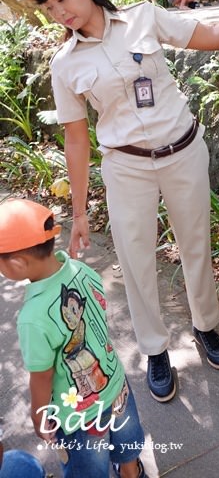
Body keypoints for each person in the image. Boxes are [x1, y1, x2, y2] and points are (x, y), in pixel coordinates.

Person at [16, 0, 219, 404]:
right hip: (126, 165)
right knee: (136, 260)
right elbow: (76, 140)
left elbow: (215, 36)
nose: (61, 11)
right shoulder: (65, 64)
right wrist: (78, 213)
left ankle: (206, 326)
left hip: (182, 150)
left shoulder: (143, 17)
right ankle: (155, 350)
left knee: (195, 243)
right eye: (51, 7)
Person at [0, 199, 147, 478]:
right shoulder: (83, 271)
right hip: (116, 384)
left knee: (87, 466)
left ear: (18, 263)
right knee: (127, 439)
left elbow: (42, 377)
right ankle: (131, 471)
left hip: (79, 413)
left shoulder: (33, 318)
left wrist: (39, 415)